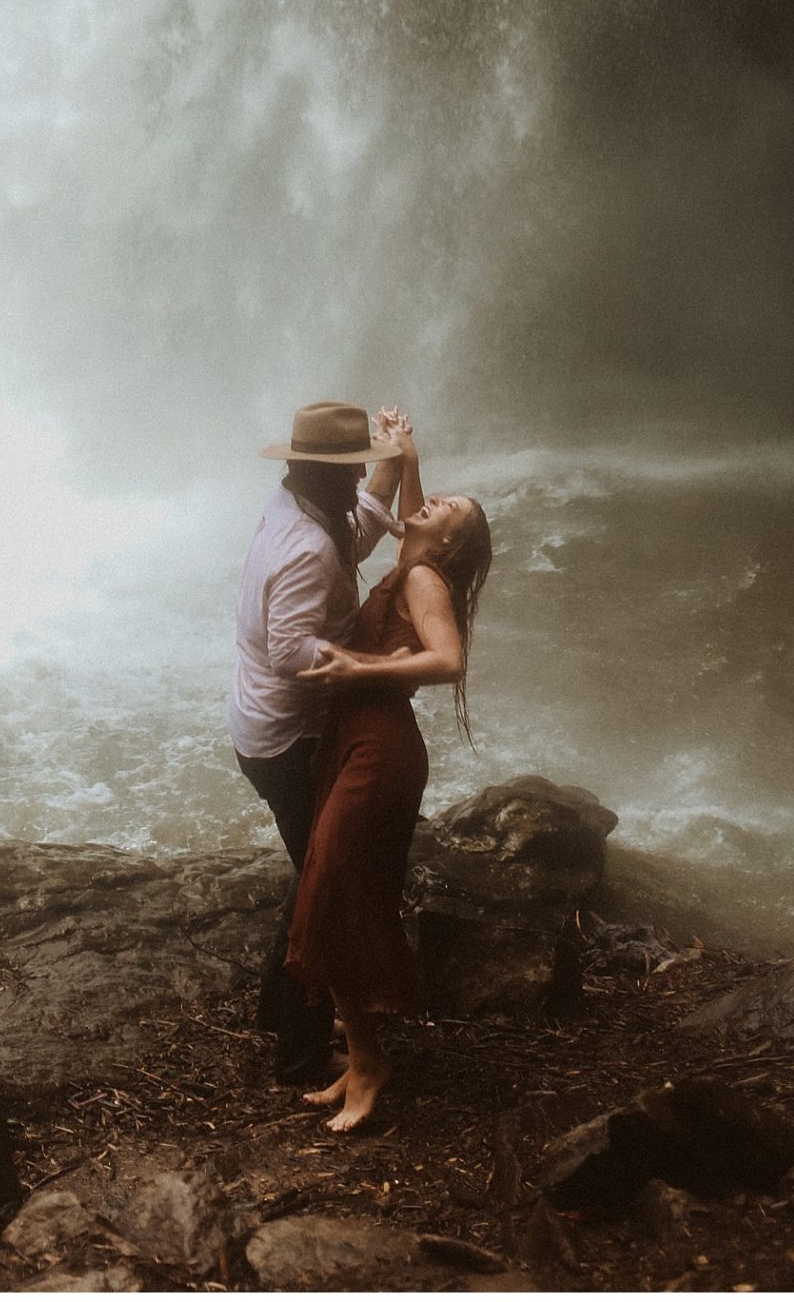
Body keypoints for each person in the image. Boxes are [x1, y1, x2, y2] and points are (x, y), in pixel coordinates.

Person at [287, 411, 493, 1131]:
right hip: (359, 738)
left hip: (381, 750)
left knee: (340, 898)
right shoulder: (416, 557)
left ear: (452, 540)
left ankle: (370, 1063)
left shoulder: (423, 581)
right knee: (331, 895)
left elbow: (449, 660)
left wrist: (358, 663)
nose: (430, 505)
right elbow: (414, 515)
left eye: (446, 509)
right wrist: (407, 454)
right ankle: (361, 1057)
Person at [227, 399, 409, 1084]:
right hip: (284, 741)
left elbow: (359, 525)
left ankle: (281, 1011)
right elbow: (288, 653)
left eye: (361, 460)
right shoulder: (302, 546)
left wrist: (392, 463)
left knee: (316, 873)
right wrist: (380, 667)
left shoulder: (303, 508)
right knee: (327, 887)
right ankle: (299, 1056)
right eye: (350, 464)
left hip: (265, 725)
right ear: (317, 471)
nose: (359, 472)